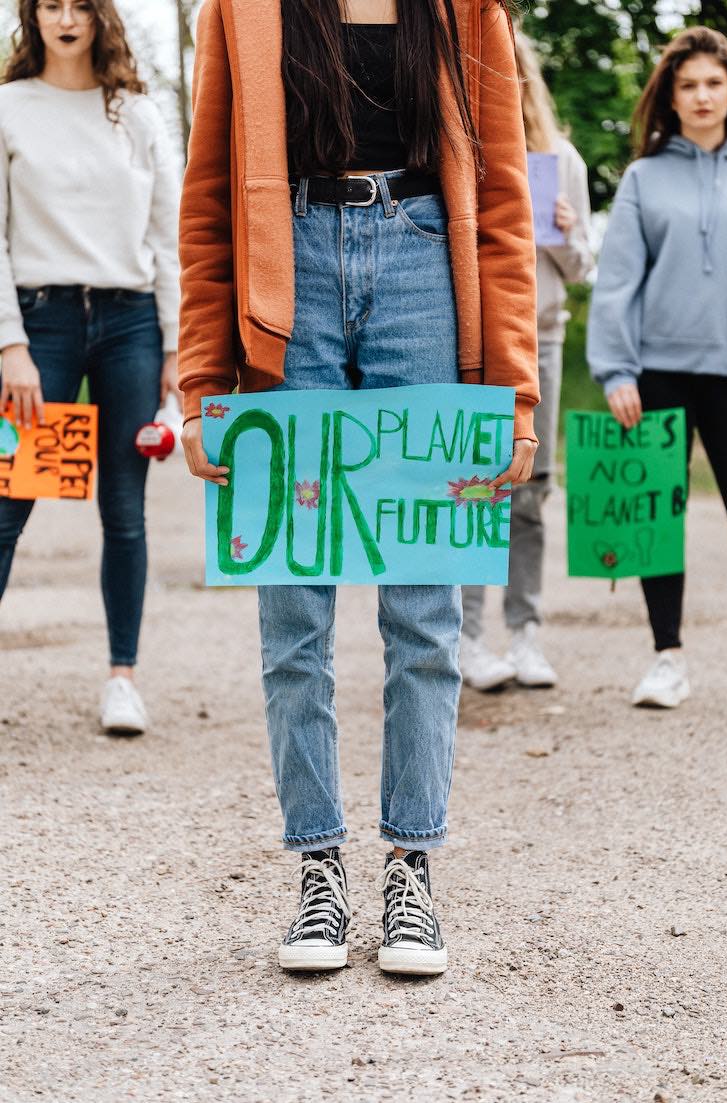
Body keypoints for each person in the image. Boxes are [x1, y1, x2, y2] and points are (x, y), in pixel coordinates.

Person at [178, 0, 539, 976]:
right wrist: (204, 376)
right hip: (286, 271)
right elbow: (210, 200)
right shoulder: (241, 10)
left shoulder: (469, 12)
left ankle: (412, 864)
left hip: (427, 270)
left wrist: (511, 390)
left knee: (424, 611)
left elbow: (503, 203)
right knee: (292, 611)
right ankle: (318, 867)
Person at [0, 0, 181, 735]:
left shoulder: (134, 114)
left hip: (130, 321)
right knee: (9, 504)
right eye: (51, 5)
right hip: (40, 322)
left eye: (80, 5)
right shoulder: (9, 107)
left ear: (100, 17)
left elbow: (168, 236)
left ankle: (122, 678)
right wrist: (9, 344)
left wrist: (176, 349)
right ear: (31, 17)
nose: (66, 19)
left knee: (125, 512)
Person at [587, 26, 727, 709]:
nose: (701, 96)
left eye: (712, 82)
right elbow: (617, 281)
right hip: (658, 373)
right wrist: (616, 370)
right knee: (657, 518)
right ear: (670, 98)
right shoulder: (644, 178)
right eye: (688, 85)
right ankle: (666, 657)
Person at [461, 29, 594, 692]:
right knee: (467, 486)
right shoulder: (457, 150)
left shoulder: (557, 157)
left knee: (528, 493)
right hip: (464, 341)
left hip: (538, 338)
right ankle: (465, 637)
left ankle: (525, 634)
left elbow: (581, 267)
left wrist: (569, 232)